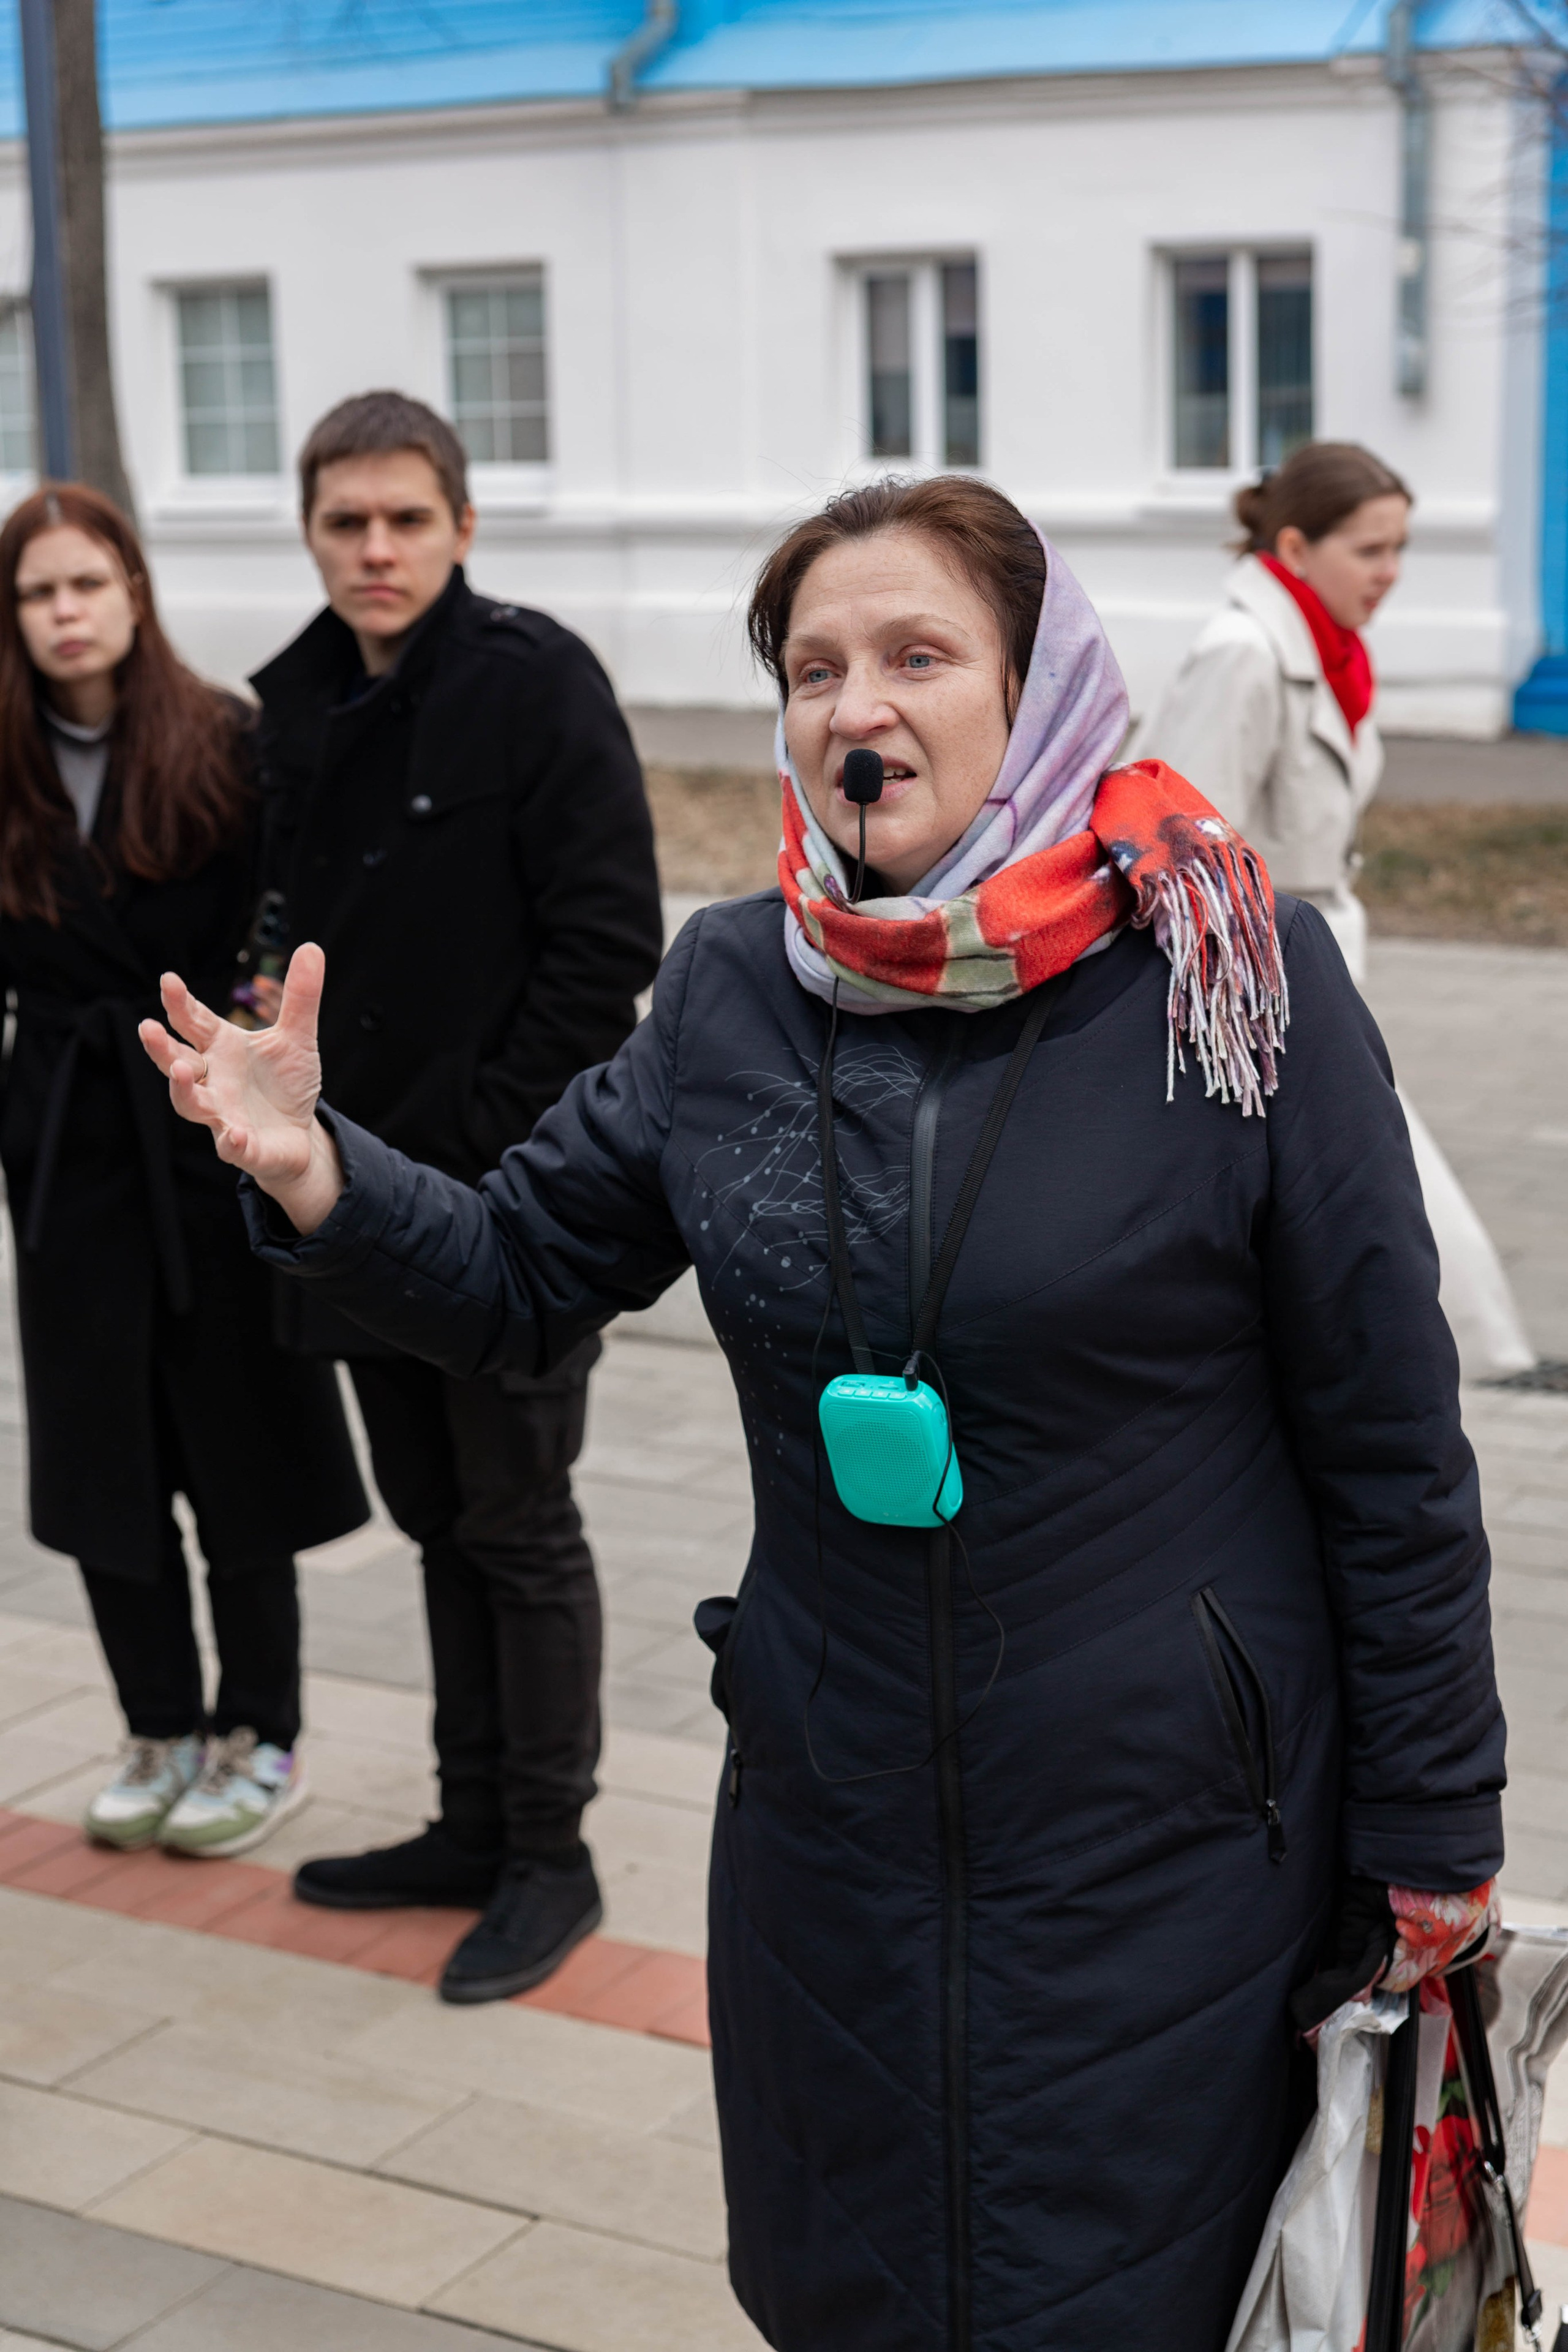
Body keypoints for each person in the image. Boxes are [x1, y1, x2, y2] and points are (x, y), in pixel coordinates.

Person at [143, 476, 1504, 2351]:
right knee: (853, 2280)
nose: (855, 706)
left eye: (918, 655)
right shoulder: (729, 995)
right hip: (830, 1814)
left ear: (1039, 688)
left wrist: (1435, 1818)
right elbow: (522, 1271)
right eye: (812, 667)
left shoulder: (1226, 974)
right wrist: (317, 1172)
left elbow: (1389, 1437)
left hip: (1165, 1837)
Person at [246, 391, 663, 2002]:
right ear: (313, 531)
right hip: (349, 1203)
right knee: (434, 1517)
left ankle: (549, 1855)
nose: (375, 548)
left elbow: (607, 944)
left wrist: (487, 1154)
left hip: (508, 1208)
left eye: (406, 519)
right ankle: (469, 1819)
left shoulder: (535, 684)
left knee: (517, 1522)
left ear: (462, 526)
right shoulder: (294, 702)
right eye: (346, 521)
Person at [0, 483, 367, 1857]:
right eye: (38, 594)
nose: (66, 612)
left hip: (206, 1135)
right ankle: (154, 1723)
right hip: (63, 1149)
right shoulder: (7, 759)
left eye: (87, 583)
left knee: (235, 1444)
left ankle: (256, 1730)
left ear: (134, 591)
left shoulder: (222, 740)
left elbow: (284, 925)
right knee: (103, 1453)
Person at [1136, 440, 1532, 1379]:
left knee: (1358, 1179)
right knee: (1384, 1173)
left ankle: (1470, 1355)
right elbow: (1176, 840)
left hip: (1302, 960)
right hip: (1255, 976)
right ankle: (1482, 1356)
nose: (1390, 574)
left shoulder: (1327, 651)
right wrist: (1222, 993)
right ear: (1295, 546)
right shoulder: (1247, 654)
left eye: (1400, 550)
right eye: (1370, 550)